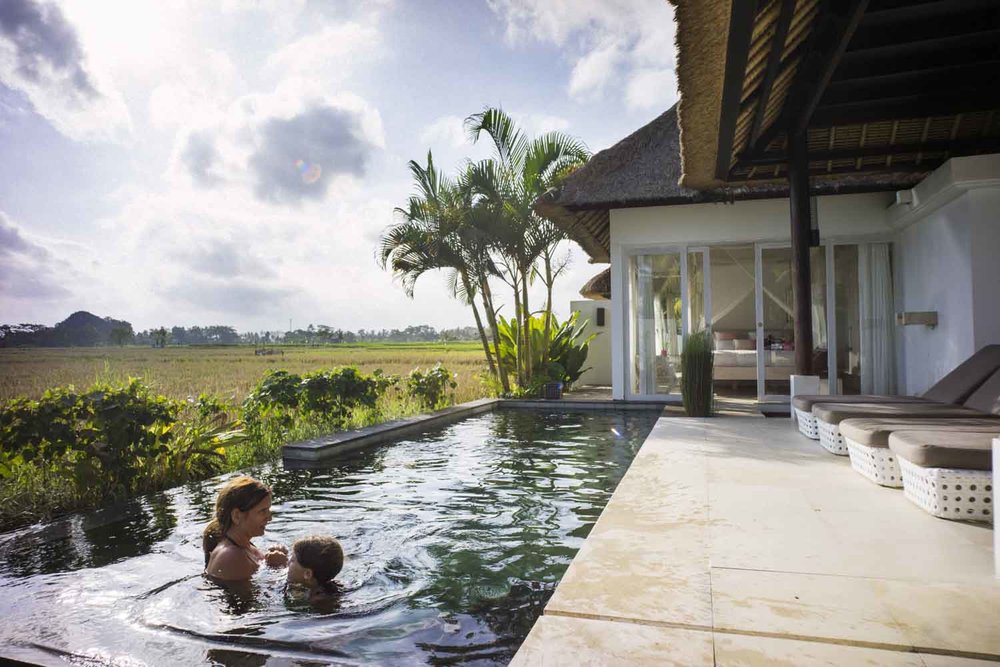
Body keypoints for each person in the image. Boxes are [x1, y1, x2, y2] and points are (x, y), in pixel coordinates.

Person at [203, 476, 288, 581]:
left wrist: (272, 559)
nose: (270, 517)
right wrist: (278, 568)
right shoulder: (231, 557)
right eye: (263, 511)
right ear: (237, 516)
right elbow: (256, 596)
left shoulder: (244, 545)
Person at [286, 535, 344, 601]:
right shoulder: (330, 588)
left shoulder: (317, 600)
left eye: (292, 560)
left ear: (307, 574)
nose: (288, 563)